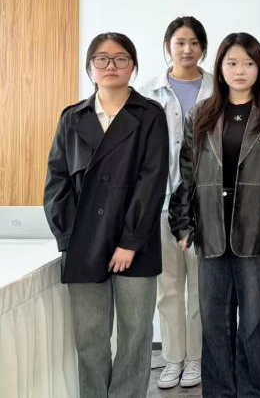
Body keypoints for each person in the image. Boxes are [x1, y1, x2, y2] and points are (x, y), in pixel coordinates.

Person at [44, 32, 169, 398]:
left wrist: (130, 242)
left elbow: (152, 180)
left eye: (120, 58)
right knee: (90, 337)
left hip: (135, 242)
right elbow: (56, 181)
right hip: (83, 242)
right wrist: (68, 237)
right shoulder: (72, 117)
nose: (111, 65)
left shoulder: (149, 114)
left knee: (135, 335)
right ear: (90, 67)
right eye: (102, 58)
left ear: (133, 66)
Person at [169, 32, 260, 398]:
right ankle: (220, 391)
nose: (240, 70)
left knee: (254, 321)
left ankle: (256, 391)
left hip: (257, 228)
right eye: (232, 63)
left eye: (249, 63)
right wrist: (183, 224)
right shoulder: (201, 114)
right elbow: (187, 174)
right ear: (220, 67)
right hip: (210, 228)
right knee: (215, 321)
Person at [140, 16, 213, 390]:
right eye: (180, 42)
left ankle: (196, 359)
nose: (187, 49)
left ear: (203, 47)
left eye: (194, 42)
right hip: (161, 205)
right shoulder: (149, 92)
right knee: (168, 289)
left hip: (205, 208)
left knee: (201, 290)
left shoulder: (216, 89)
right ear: (167, 45)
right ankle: (172, 359)